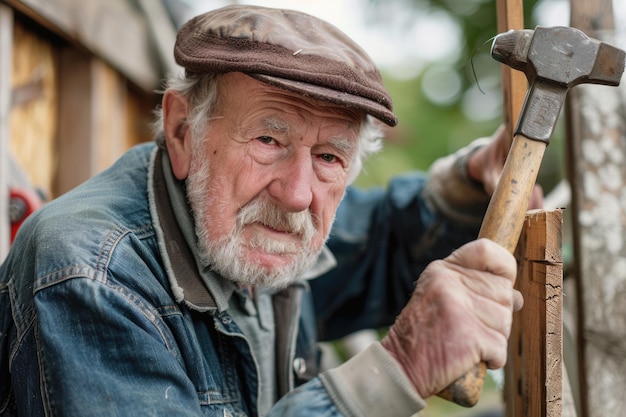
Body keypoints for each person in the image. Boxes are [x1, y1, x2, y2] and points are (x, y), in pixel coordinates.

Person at [0, 5, 538, 417]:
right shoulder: (89, 277)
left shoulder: (244, 223)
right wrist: (396, 368)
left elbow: (377, 240)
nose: (297, 195)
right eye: (268, 139)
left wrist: (464, 184)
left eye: (329, 157)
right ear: (183, 130)